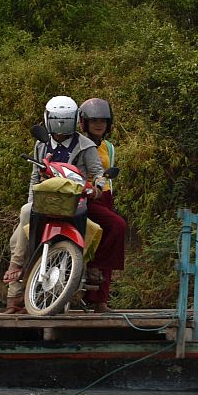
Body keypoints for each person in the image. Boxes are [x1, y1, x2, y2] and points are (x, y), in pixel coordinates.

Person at [1, 95, 105, 313]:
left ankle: (82, 275)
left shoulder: (85, 146)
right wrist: (33, 200)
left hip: (72, 201)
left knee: (22, 233)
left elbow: (98, 172)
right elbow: (35, 176)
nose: (60, 126)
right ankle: (15, 290)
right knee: (21, 229)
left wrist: (98, 186)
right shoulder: (41, 144)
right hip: (45, 200)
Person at [77, 97, 127, 312]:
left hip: (105, 196)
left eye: (103, 121)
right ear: (84, 122)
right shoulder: (79, 143)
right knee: (117, 226)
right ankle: (94, 266)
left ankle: (100, 300)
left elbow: (108, 176)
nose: (99, 124)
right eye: (94, 120)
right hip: (85, 196)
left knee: (109, 240)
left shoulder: (108, 147)